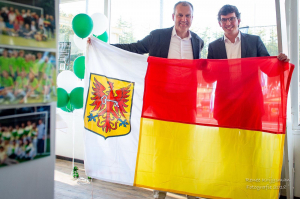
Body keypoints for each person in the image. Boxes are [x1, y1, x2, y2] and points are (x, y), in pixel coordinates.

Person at [88, 1, 202, 199]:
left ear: (192, 17)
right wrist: (103, 46)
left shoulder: (198, 42)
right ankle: (160, 191)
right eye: (180, 15)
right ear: (173, 17)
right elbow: (135, 47)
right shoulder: (158, 36)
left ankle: (188, 191)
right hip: (161, 102)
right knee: (160, 148)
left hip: (186, 105)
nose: (184, 19)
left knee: (186, 148)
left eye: (187, 16)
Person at [204, 4, 289, 129]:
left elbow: (269, 69)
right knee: (227, 145)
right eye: (224, 19)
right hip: (225, 105)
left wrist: (280, 62)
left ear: (238, 20)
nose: (228, 23)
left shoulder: (254, 41)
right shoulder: (213, 47)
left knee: (252, 145)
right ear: (219, 23)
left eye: (231, 18)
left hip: (251, 104)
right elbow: (209, 78)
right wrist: (203, 67)